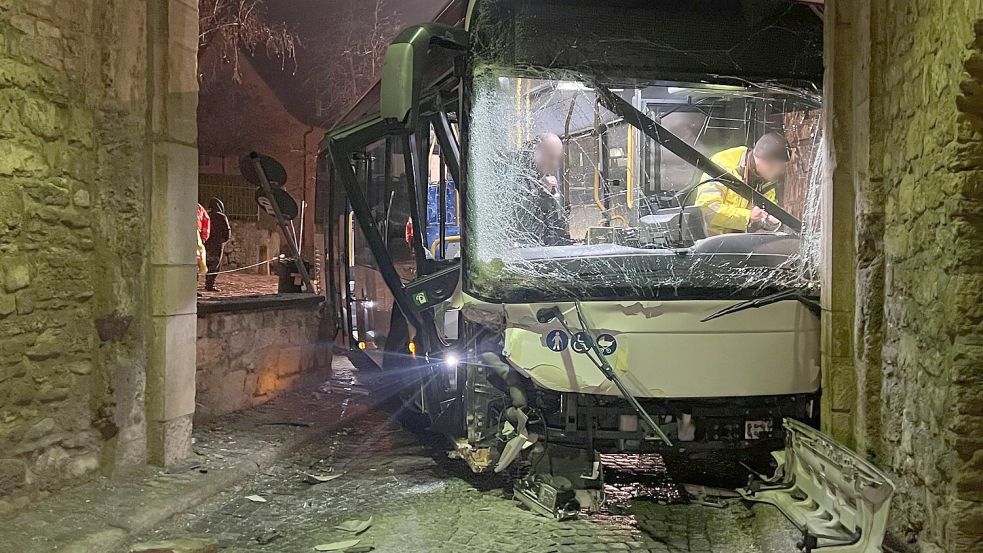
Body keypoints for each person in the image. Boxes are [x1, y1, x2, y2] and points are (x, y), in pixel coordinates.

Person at [694, 132, 790, 236]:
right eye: (780, 168)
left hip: (740, 244)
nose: (781, 172)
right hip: (710, 245)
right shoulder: (722, 166)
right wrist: (748, 216)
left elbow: (765, 213)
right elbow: (707, 209)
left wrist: (771, 222)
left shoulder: (765, 180)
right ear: (767, 164)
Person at [515, 132, 569, 246]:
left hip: (543, 249)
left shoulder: (543, 178)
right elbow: (518, 218)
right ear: (536, 151)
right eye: (551, 157)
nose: (554, 164)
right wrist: (541, 193)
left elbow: (549, 223)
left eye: (557, 159)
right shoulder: (515, 173)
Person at [204, 198, 231, 291]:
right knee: (215, 265)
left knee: (204, 264)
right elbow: (227, 231)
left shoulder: (207, 215)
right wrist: (223, 240)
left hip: (206, 243)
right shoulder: (221, 217)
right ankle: (209, 285)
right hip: (217, 245)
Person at [196, 203, 210, 296]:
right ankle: (193, 288)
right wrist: (204, 237)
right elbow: (206, 222)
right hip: (195, 237)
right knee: (195, 264)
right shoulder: (198, 207)